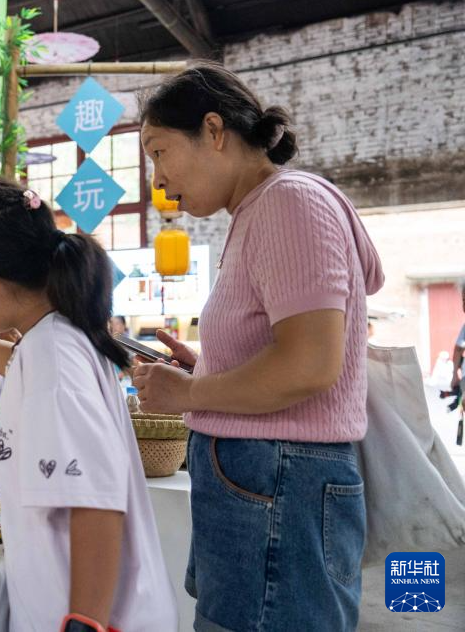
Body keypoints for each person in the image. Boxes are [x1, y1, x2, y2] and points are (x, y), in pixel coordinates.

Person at [131, 63, 384, 632]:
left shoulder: (287, 203)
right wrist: (210, 369)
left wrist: (192, 392)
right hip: (267, 480)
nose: (158, 178)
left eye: (160, 151)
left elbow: (310, 365)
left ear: (214, 131)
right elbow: (290, 351)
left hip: (279, 483)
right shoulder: (260, 211)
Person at [0, 180, 177, 632]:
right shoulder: (52, 339)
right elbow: (18, 364)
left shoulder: (54, 361)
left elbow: (96, 507)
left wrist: (83, 623)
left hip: (92, 618)